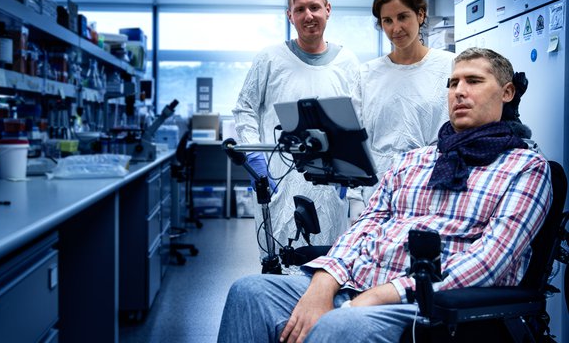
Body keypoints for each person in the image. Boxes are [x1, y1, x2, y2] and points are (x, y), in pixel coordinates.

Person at [217, 47, 552, 343]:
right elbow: (365, 225)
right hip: (358, 279)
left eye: (474, 81)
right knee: (250, 292)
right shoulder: (416, 159)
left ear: (507, 92)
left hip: (422, 301)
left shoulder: (526, 168)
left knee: (342, 326)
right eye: (453, 83)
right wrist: (324, 283)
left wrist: (378, 296)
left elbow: (489, 262)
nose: (459, 92)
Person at [232, 0, 360, 258]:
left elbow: (358, 121)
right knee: (280, 263)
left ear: (328, 9)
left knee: (328, 267)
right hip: (280, 181)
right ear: (289, 15)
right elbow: (245, 109)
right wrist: (255, 158)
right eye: (300, 9)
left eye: (314, 7)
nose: (308, 15)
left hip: (331, 184)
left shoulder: (347, 62)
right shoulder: (270, 59)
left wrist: (350, 178)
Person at [348, 0, 456, 221]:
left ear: (420, 14)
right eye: (387, 21)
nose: (395, 28)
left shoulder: (450, 65)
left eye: (402, 17)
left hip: (432, 188)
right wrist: (355, 197)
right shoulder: (367, 74)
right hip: (377, 191)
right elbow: (356, 139)